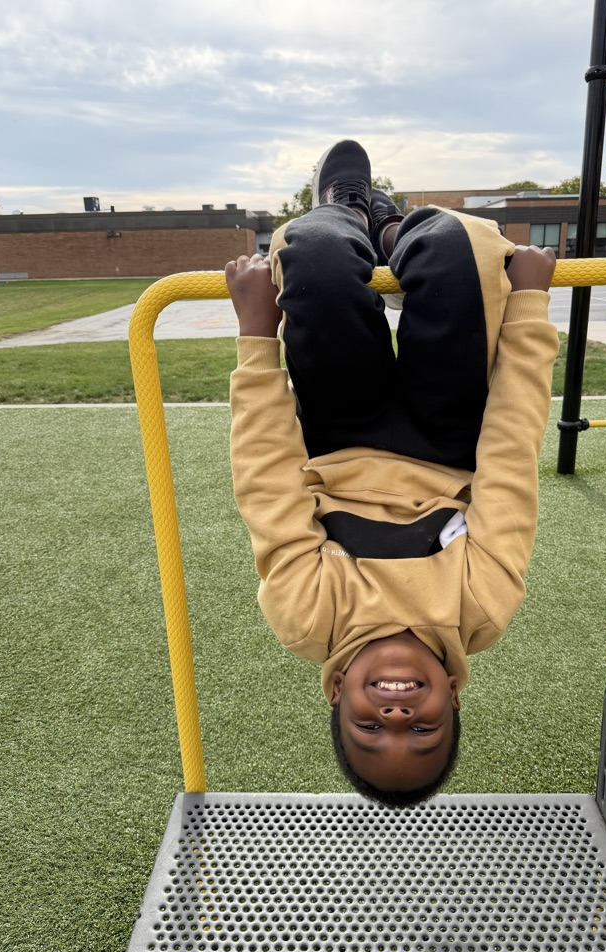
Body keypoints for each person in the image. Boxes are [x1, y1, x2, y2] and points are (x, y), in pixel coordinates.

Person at [225, 140, 558, 807]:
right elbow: (511, 459)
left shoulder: (309, 618)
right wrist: (528, 307)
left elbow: (267, 480)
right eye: (423, 730)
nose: (398, 716)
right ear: (454, 696)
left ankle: (345, 215)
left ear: (336, 691)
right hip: (449, 441)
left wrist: (257, 337)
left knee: (313, 259)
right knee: (464, 245)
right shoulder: (480, 609)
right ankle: (394, 232)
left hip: (340, 436)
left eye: (370, 729)